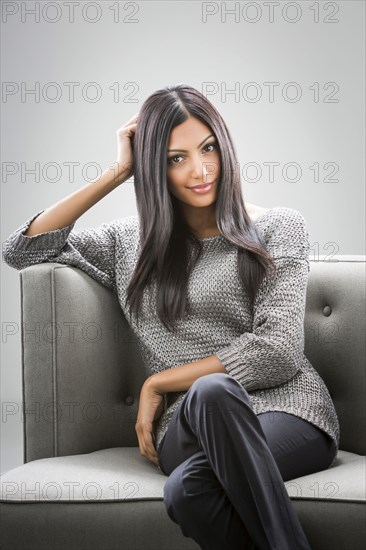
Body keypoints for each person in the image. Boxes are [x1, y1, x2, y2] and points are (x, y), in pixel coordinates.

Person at [3, 83, 340, 550]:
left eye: (208, 149)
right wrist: (119, 171)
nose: (199, 171)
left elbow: (279, 351)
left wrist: (158, 382)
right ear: (154, 168)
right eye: (174, 158)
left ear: (224, 148)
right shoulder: (129, 244)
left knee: (188, 490)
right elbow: (22, 250)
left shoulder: (278, 227)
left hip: (289, 413)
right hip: (185, 427)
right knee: (209, 393)